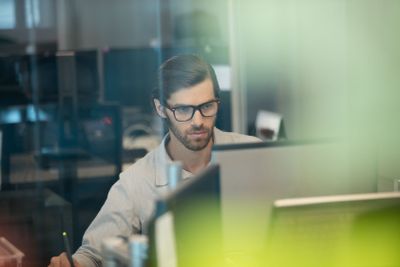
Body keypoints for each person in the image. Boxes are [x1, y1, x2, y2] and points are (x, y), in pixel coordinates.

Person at [48, 54, 260, 267]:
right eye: (183, 109)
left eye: (207, 107)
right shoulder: (136, 182)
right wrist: (73, 263)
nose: (198, 121)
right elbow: (93, 254)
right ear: (160, 108)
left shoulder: (253, 154)